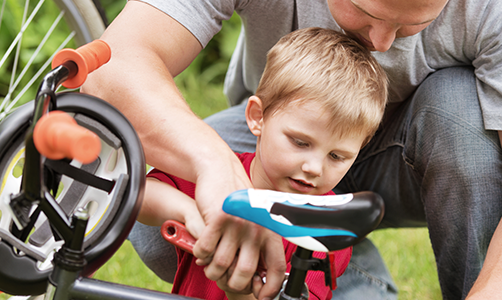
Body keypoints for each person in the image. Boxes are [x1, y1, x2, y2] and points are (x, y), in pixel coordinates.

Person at [82, 0, 502, 299]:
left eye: (414, 22)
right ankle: (332, 272)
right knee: (164, 223)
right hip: (283, 133)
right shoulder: (269, 123)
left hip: (427, 144)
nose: (383, 43)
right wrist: (216, 171)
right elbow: (115, 64)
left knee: (459, 110)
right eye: (366, 11)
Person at [134, 27, 388, 300]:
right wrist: (191, 214)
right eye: (300, 142)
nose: (314, 167)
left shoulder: (326, 230)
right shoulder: (221, 177)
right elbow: (139, 195)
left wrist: (238, 291)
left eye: (337, 156)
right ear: (258, 117)